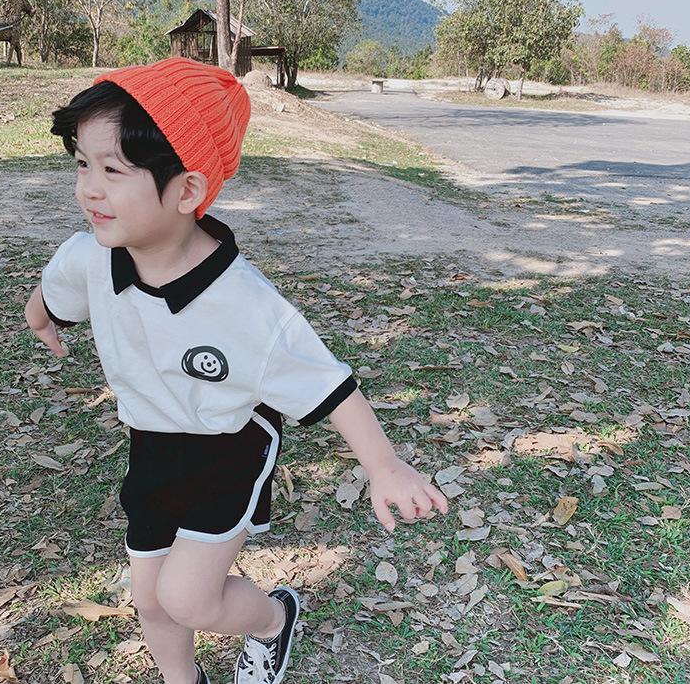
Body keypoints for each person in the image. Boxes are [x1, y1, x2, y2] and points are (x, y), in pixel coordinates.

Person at [24, 57, 449, 684]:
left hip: (227, 446)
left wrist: (384, 467)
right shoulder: (90, 255)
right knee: (150, 598)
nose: (88, 188)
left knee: (188, 598)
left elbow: (329, 387)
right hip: (151, 442)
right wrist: (40, 315)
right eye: (82, 164)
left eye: (113, 170)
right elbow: (55, 291)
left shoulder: (246, 306)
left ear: (187, 191)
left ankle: (273, 620)